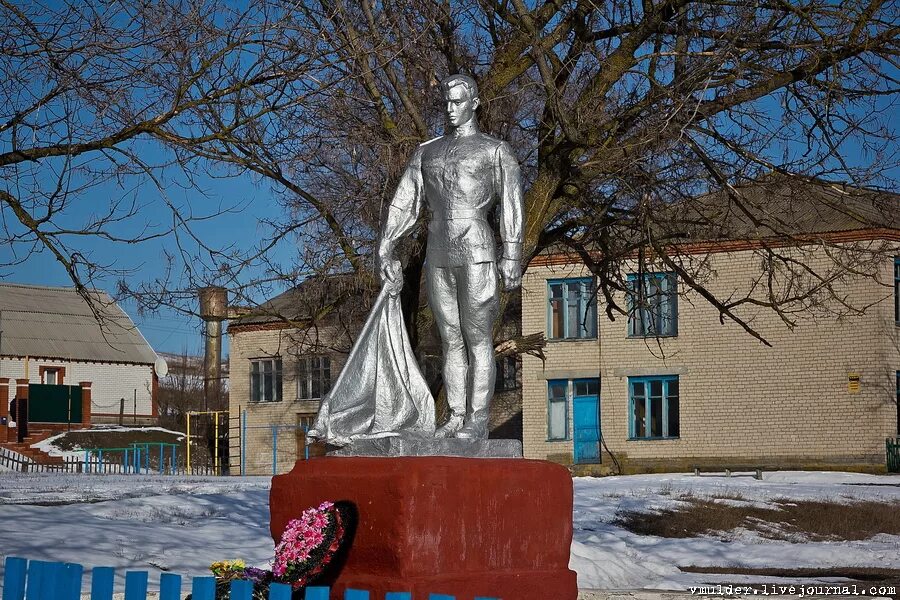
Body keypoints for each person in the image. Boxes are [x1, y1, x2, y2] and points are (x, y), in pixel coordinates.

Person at [377, 74, 524, 440]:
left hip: (476, 249)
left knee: (477, 339)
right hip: (439, 251)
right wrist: (386, 243)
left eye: (458, 102)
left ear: (474, 102)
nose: (450, 108)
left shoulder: (495, 150)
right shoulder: (427, 151)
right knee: (450, 339)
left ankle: (477, 419)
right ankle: (455, 415)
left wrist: (513, 253)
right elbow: (404, 201)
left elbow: (511, 205)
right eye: (446, 102)